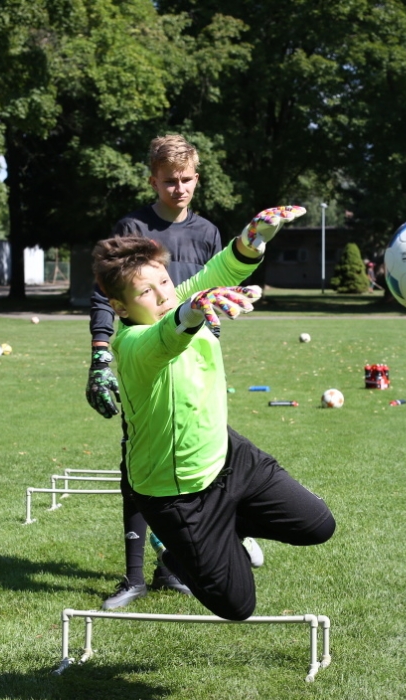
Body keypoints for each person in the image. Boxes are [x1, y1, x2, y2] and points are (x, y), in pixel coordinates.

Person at [92, 205, 335, 621]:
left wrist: (252, 238)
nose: (165, 294)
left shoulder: (180, 299)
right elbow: (165, 340)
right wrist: (191, 311)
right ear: (120, 306)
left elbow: (218, 272)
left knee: (318, 525)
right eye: (145, 292)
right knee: (238, 606)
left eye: (165, 282)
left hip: (228, 456)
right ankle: (184, 553)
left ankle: (230, 528)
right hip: (178, 493)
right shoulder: (131, 345)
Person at [88, 134, 224, 609]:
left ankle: (171, 569)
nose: (179, 189)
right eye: (170, 181)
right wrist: (100, 355)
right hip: (144, 358)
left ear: (197, 179)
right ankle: (133, 577)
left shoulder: (208, 233)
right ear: (153, 181)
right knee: (139, 461)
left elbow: (214, 294)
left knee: (186, 460)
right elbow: (106, 295)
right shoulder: (134, 226)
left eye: (187, 180)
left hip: (192, 362)